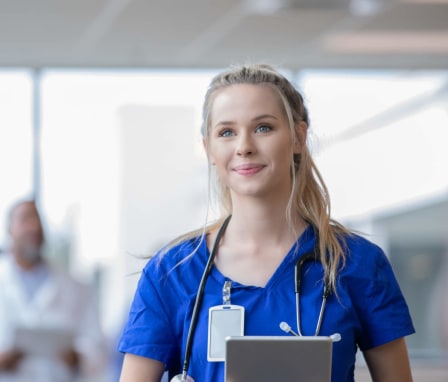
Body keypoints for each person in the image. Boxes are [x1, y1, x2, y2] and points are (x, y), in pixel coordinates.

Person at [118, 63, 415, 382]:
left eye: (263, 127)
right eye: (226, 132)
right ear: (209, 149)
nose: (244, 146)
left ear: (299, 138)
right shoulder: (172, 273)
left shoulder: (356, 263)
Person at [0, 199, 108, 381]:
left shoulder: (75, 286)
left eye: (37, 220)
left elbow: (98, 347)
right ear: (9, 230)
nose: (33, 227)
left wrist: (77, 357)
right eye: (25, 220)